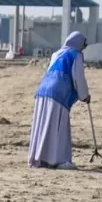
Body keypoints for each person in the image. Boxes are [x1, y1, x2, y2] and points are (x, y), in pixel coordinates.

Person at [28, 31, 90, 170]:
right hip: (59, 93)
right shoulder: (76, 55)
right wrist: (84, 95)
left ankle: (40, 158)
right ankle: (60, 160)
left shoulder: (57, 54)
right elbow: (79, 77)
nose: (83, 48)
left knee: (44, 125)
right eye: (83, 45)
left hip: (43, 91)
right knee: (58, 127)